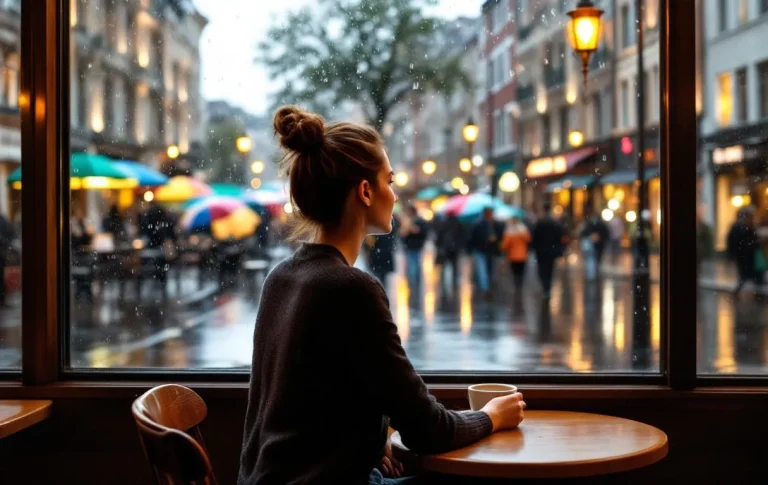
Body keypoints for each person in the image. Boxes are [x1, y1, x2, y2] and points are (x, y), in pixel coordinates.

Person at [237, 106, 525, 485]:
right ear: (366, 191)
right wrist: (492, 416)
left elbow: (309, 399)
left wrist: (373, 442)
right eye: (389, 181)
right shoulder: (351, 288)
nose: (395, 193)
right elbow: (428, 429)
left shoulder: (281, 277)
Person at [467, 207, 503, 299]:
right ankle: (485, 288)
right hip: (481, 250)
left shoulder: (495, 224)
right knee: (482, 270)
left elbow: (501, 235)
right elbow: (473, 237)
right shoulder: (479, 224)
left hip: (491, 250)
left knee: (490, 269)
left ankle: (488, 286)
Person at [531, 203, 566, 299]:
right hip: (550, 250)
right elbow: (560, 236)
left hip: (541, 251)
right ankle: (547, 287)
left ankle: (545, 287)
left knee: (542, 269)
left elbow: (534, 237)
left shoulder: (539, 222)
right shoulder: (554, 223)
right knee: (549, 270)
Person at [727, 207, 761, 296]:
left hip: (749, 256)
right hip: (744, 256)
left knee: (750, 276)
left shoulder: (748, 226)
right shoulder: (740, 227)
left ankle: (756, 294)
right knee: (746, 276)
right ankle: (755, 295)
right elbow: (736, 242)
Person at [367, 214, 400, 287]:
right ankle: (382, 287)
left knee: (379, 274)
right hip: (384, 252)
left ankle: (381, 287)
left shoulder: (375, 227)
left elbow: (370, 242)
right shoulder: (390, 226)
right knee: (382, 275)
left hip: (378, 253)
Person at [434, 213, 465, 291]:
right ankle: (454, 282)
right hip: (454, 250)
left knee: (444, 267)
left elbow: (438, 237)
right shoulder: (458, 224)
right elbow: (462, 237)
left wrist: (438, 247)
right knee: (454, 266)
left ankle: (443, 284)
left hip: (445, 249)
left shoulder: (443, 224)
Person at [399, 205, 427, 290]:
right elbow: (402, 235)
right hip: (410, 246)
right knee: (413, 265)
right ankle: (414, 282)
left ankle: (414, 283)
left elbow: (423, 233)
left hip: (415, 246)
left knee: (414, 265)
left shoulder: (419, 221)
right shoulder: (407, 221)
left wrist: (416, 231)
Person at [579, 207, 610, 281]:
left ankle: (593, 273)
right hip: (595, 245)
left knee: (594, 259)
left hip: (597, 245)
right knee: (594, 259)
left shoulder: (591, 224)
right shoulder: (594, 224)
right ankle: (593, 273)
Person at [501, 215, 531, 291]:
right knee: (521, 270)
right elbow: (528, 240)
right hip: (522, 255)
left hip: (512, 255)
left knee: (515, 271)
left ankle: (516, 281)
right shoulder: (523, 230)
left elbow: (505, 245)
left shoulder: (509, 231)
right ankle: (519, 282)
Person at [0, 214, 15, 307]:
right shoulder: (2, 219)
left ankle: (2, 298)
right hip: (2, 251)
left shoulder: (2, 219)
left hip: (1, 252)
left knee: (1, 275)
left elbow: (9, 233)